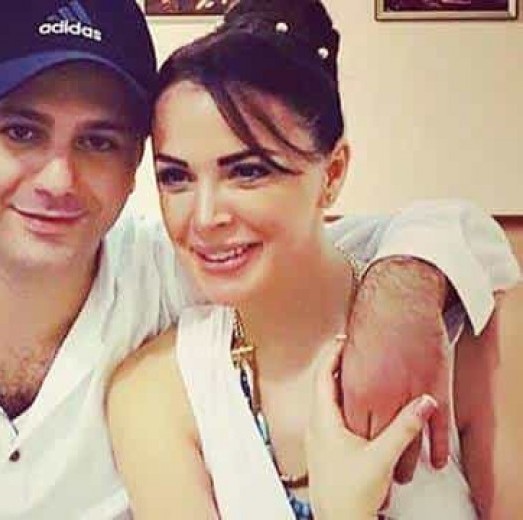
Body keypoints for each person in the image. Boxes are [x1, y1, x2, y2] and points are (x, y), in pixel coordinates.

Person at [0, 0, 517, 518]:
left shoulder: (174, 273)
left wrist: (405, 289)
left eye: (99, 141)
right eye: (21, 131)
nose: (58, 178)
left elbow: (414, 236)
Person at [106, 0, 519, 518]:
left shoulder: (470, 342)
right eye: (176, 177)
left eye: (248, 171)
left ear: (333, 172)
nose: (205, 217)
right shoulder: (156, 393)